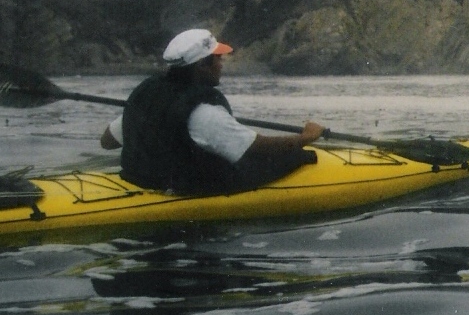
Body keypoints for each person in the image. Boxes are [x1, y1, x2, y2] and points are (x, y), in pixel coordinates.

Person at [100, 28, 325, 196]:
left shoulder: (148, 96)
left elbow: (107, 141)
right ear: (201, 65)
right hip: (185, 187)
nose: (222, 63)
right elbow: (255, 148)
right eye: (217, 58)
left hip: (138, 178)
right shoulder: (204, 112)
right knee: (299, 156)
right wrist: (305, 138)